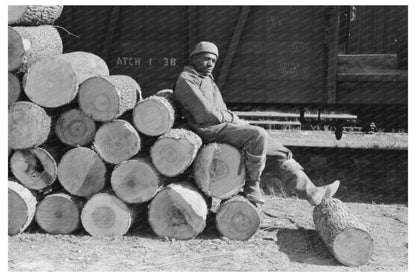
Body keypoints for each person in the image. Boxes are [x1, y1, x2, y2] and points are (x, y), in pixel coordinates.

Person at [173, 41, 339, 205]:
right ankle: (252, 186)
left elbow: (220, 110)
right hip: (206, 129)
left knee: (276, 150)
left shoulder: (208, 78)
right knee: (257, 134)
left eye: (214, 60)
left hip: (220, 126)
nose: (210, 63)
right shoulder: (186, 80)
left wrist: (236, 121)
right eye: (206, 58)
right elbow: (206, 114)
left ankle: (311, 192)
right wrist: (234, 119)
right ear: (193, 58)